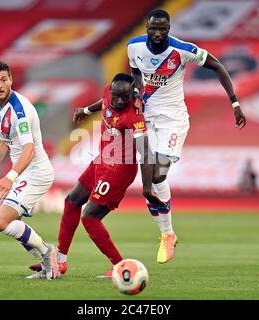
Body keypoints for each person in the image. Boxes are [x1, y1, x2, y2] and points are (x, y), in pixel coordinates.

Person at [72, 9, 247, 264]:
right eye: (153, 28)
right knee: (152, 180)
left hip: (173, 120)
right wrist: (127, 98)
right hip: (146, 117)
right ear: (146, 27)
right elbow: (134, 76)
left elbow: (218, 66)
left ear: (168, 28)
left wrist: (234, 103)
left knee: (158, 175)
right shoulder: (134, 47)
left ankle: (163, 222)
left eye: (162, 29)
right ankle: (167, 234)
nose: (157, 33)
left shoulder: (182, 50)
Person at [30, 73, 164, 278]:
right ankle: (61, 260)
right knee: (72, 201)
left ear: (131, 96)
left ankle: (120, 266)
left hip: (120, 169)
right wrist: (85, 110)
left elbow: (145, 153)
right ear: (111, 91)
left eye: (125, 98)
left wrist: (147, 188)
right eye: (116, 96)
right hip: (102, 161)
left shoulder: (134, 116)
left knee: (90, 217)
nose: (119, 101)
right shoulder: (108, 94)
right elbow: (104, 103)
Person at [0, 60, 59, 280]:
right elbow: (2, 141)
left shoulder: (19, 110)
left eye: (4, 79)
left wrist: (10, 177)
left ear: (11, 80)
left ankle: (47, 253)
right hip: (25, 172)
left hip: (36, 172)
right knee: (12, 223)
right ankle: (47, 261)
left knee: (1, 222)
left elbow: (29, 150)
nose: (0, 84)